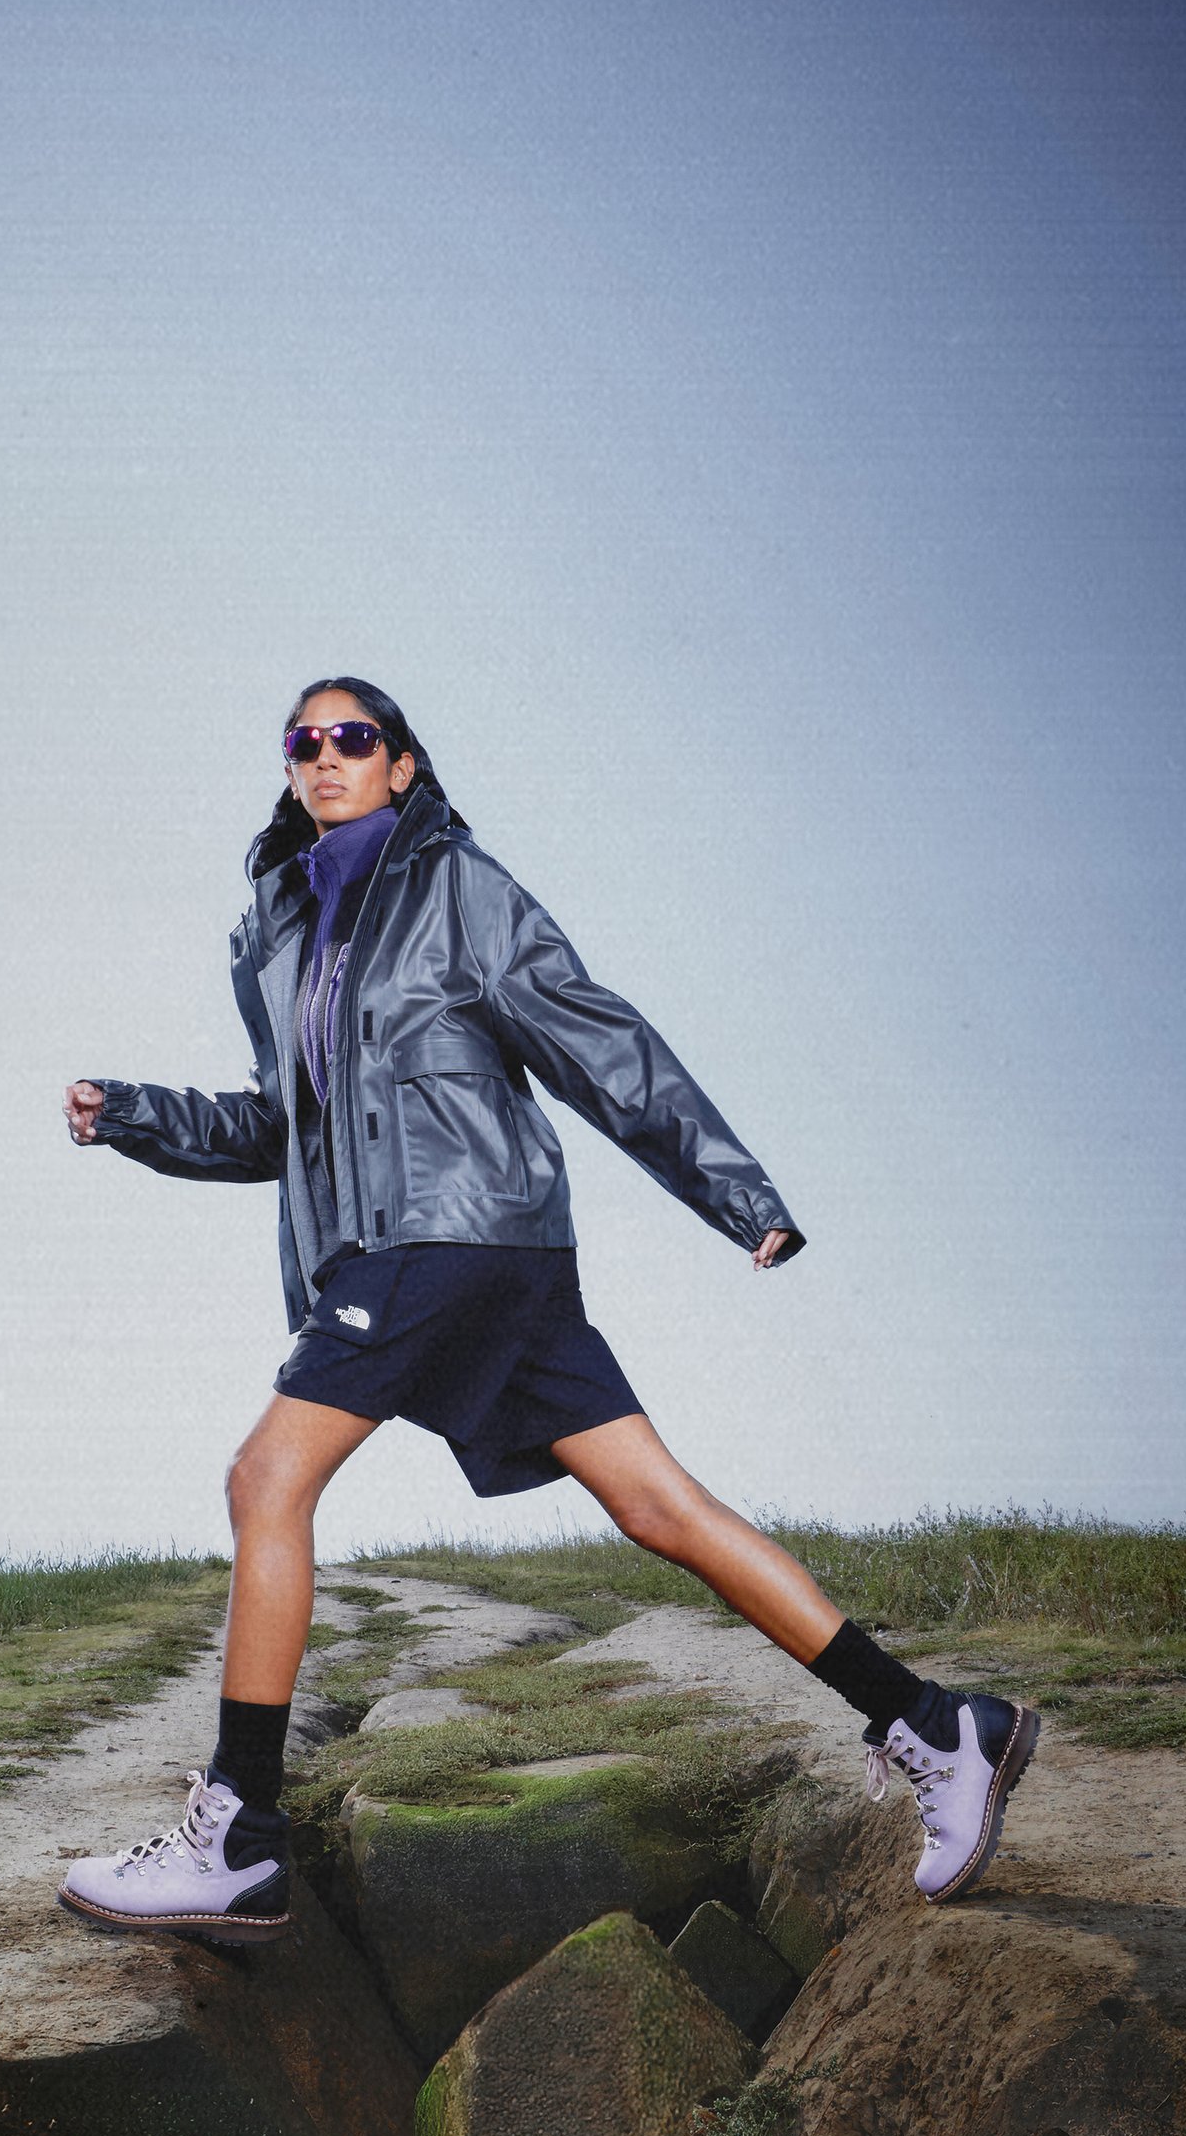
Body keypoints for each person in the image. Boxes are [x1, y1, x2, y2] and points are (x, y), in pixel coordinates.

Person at [56, 678, 1036, 1946]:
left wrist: (734, 1191)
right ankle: (937, 1724)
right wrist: (132, 1112)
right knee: (656, 1507)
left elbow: (596, 1040)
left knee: (264, 1482)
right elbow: (277, 1132)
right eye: (302, 745)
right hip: (460, 1260)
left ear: (402, 764)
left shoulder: (459, 887)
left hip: (449, 1234)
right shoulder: (276, 931)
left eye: (352, 738)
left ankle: (236, 1837)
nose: (324, 759)